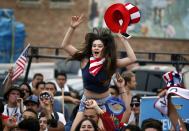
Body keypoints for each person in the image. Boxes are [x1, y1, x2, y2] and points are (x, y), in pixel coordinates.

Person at [61, 14, 137, 131]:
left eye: (99, 46)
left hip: (105, 102)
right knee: (74, 129)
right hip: (86, 101)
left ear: (105, 48)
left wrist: (123, 40)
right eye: (94, 45)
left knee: (103, 129)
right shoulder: (84, 59)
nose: (96, 48)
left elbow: (132, 59)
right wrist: (72, 28)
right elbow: (65, 46)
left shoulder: (110, 62)